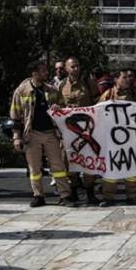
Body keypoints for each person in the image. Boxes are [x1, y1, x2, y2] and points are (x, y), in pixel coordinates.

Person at [11, 60, 75, 208]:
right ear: (34, 73)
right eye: (43, 70)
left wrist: (59, 107)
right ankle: (38, 195)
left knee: (58, 166)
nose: (46, 73)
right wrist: (16, 137)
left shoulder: (52, 90)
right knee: (34, 168)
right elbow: (15, 116)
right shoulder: (21, 91)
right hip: (31, 134)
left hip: (50, 133)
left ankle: (65, 195)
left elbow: (63, 109)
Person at [58, 57, 100, 205]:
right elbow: (57, 104)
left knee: (89, 161)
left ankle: (90, 192)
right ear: (66, 69)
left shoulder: (89, 83)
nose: (76, 69)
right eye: (72, 66)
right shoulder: (61, 85)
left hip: (87, 129)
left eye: (77, 66)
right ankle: (74, 191)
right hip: (69, 130)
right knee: (68, 161)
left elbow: (97, 102)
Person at [98, 69, 136, 207]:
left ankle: (133, 196)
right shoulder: (108, 94)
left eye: (129, 77)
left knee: (131, 167)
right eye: (124, 77)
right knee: (111, 168)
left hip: (131, 136)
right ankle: (108, 197)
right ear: (116, 79)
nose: (128, 79)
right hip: (112, 137)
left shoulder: (135, 93)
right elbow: (98, 112)